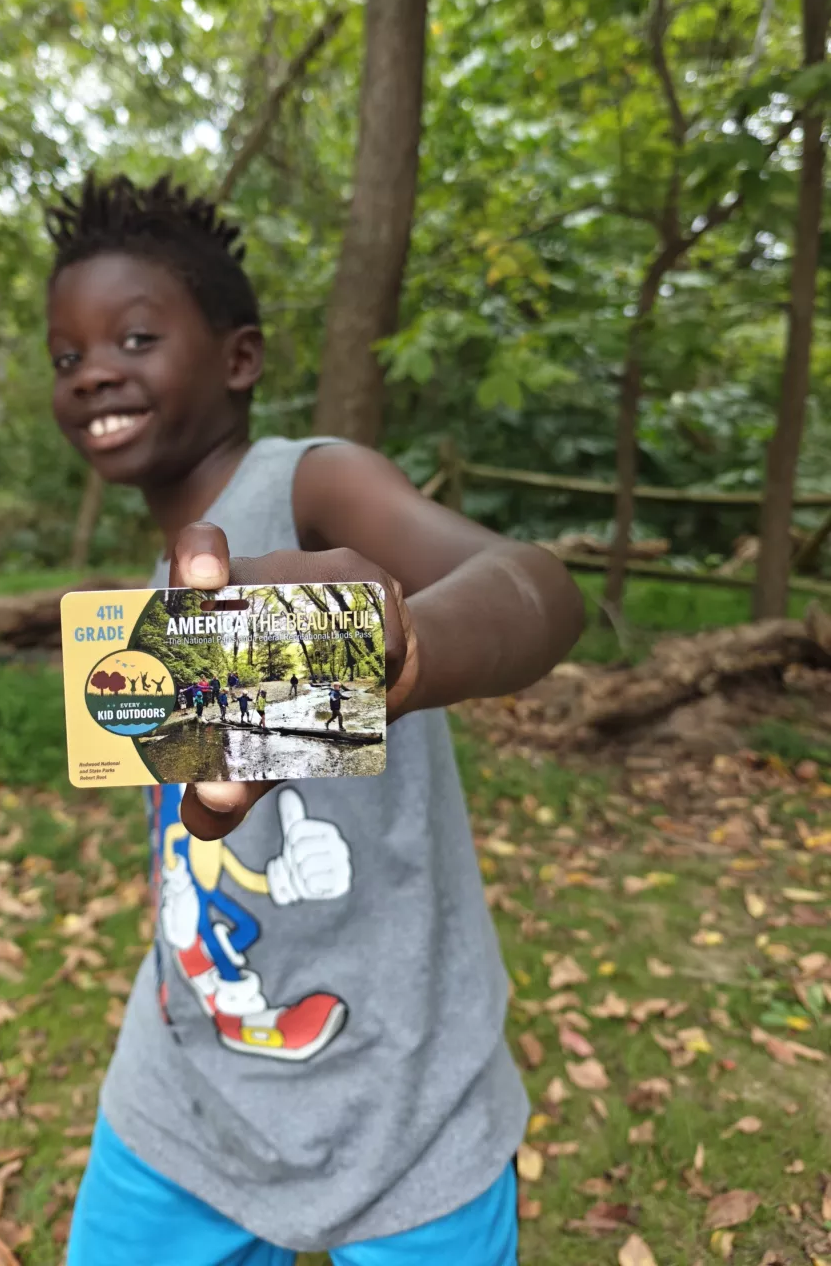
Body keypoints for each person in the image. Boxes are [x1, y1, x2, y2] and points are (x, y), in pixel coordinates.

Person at [45, 174, 584, 1265]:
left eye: (137, 335)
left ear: (240, 357)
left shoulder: (310, 483)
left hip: (407, 1105)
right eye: (68, 355)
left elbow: (537, 583)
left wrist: (409, 648)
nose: (96, 367)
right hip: (183, 1099)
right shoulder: (162, 577)